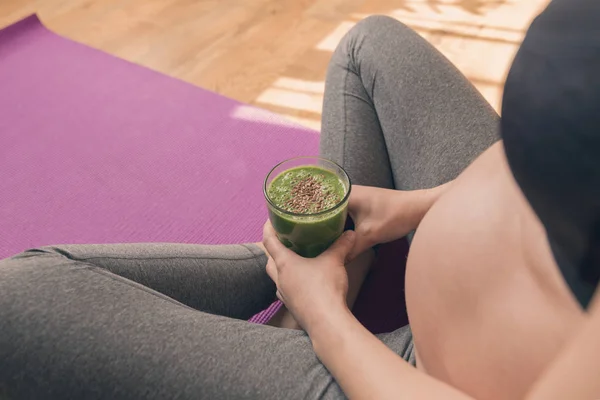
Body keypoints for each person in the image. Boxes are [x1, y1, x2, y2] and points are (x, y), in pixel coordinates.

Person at [1, 0, 599, 398]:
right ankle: (309, 259)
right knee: (370, 45)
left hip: (408, 374)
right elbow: (529, 165)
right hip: (487, 231)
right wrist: (421, 203)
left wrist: (323, 317)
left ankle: (295, 289)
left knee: (20, 296)